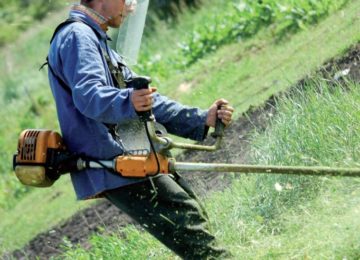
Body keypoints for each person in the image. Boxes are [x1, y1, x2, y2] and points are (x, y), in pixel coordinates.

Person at [47, 0, 234, 258]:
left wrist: (201, 119)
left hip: (129, 154)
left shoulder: (94, 37)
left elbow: (146, 101)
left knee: (189, 214)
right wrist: (128, 101)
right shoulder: (78, 36)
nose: (132, 6)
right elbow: (89, 96)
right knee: (188, 225)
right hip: (112, 160)